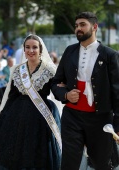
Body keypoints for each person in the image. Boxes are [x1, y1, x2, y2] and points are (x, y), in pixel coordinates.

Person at [0, 34, 61, 170]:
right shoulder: (18, 70)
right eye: (27, 47)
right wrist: (0, 118)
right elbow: (12, 97)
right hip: (16, 117)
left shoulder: (49, 70)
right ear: (24, 50)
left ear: (40, 50)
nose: (31, 51)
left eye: (34, 47)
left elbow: (58, 92)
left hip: (39, 119)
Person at [51, 12, 119, 170]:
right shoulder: (69, 51)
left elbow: (117, 92)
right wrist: (66, 94)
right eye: (76, 26)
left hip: (100, 119)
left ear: (94, 27)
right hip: (72, 117)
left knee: (101, 163)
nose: (78, 29)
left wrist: (117, 124)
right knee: (69, 162)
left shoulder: (110, 55)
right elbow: (56, 83)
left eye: (83, 25)